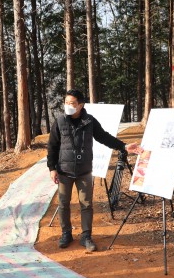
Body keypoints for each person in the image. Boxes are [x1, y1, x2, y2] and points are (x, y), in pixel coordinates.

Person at [47, 89, 141, 252]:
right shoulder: (60, 121)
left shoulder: (89, 121)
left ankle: (86, 236)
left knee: (87, 204)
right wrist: (52, 168)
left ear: (81, 105)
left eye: (72, 103)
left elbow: (103, 137)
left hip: (84, 171)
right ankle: (66, 234)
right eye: (66, 102)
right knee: (63, 204)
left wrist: (123, 146)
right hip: (64, 171)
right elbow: (52, 147)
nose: (68, 106)